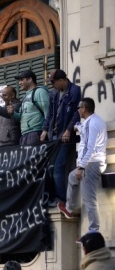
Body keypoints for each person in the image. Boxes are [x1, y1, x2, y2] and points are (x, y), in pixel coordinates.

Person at [58, 97, 108, 233]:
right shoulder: (93, 121)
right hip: (93, 162)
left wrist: (81, 167)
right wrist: (78, 126)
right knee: (72, 177)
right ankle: (69, 208)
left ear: (84, 109)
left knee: (89, 199)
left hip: (91, 164)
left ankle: (93, 231)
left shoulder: (92, 124)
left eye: (79, 108)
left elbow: (89, 148)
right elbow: (87, 134)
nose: (78, 110)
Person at [41, 69, 81, 206]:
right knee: (51, 167)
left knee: (58, 166)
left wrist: (68, 130)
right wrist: (45, 129)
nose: (52, 85)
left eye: (53, 82)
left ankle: (61, 199)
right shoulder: (53, 94)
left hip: (65, 136)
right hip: (54, 135)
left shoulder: (75, 91)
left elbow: (77, 114)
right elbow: (50, 114)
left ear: (61, 80)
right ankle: (55, 198)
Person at [9, 70, 49, 145]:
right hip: (25, 135)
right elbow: (21, 117)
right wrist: (12, 113)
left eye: (21, 80)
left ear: (30, 79)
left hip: (36, 133)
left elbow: (48, 112)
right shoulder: (26, 96)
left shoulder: (40, 92)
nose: (19, 83)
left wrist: (45, 130)